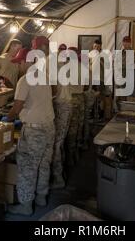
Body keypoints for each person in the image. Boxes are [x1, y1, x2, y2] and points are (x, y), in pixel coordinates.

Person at [6, 36, 55, 216]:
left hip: (34, 130)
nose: (19, 66)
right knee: (43, 163)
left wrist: (5, 120)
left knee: (27, 167)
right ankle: (41, 197)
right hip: (49, 125)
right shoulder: (45, 76)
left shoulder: (25, 79)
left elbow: (17, 106)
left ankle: (26, 205)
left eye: (20, 63)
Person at [50, 44, 73, 189]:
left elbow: (53, 90)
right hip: (66, 104)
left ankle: (58, 179)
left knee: (56, 143)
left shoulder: (56, 67)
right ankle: (61, 173)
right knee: (61, 140)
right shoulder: (66, 66)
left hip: (61, 105)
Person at [66, 46, 85, 166]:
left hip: (70, 98)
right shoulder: (83, 67)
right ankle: (76, 151)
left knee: (70, 129)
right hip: (80, 98)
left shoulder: (65, 67)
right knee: (78, 126)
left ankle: (69, 157)